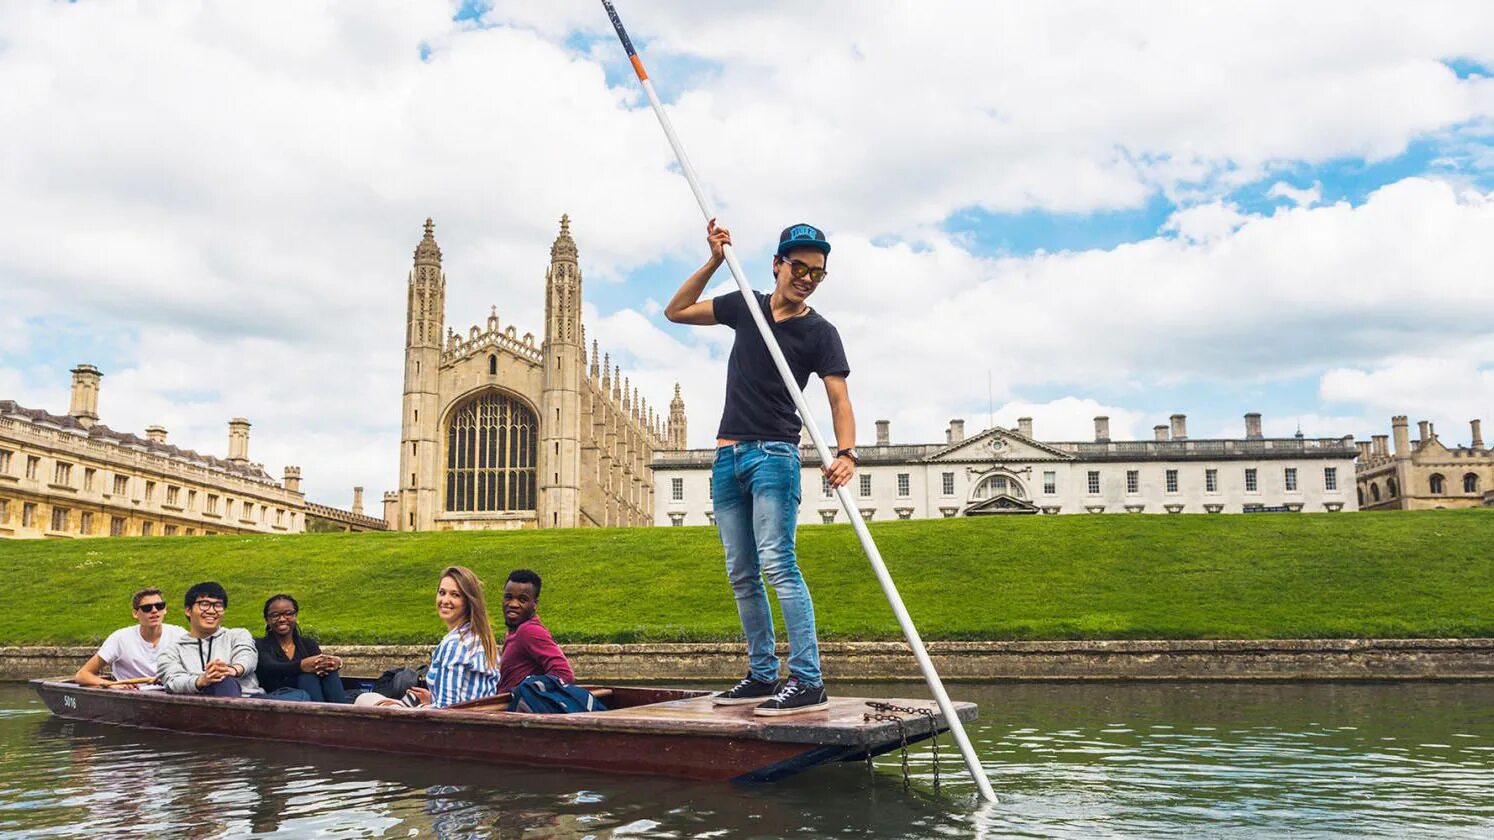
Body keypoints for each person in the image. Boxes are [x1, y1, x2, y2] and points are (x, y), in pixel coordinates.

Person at [664, 220, 857, 716]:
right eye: (800, 267)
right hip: (726, 456)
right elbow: (677, 310)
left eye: (818, 273)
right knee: (741, 572)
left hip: (774, 454)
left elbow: (839, 397)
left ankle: (808, 679)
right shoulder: (745, 306)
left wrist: (846, 452)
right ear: (778, 265)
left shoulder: (820, 332)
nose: (808, 278)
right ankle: (762, 674)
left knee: (778, 563)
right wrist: (712, 260)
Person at [354, 566, 499, 709]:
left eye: (455, 595)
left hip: (448, 727)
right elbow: (464, 697)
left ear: (469, 601)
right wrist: (431, 699)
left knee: (364, 701)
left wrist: (420, 707)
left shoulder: (456, 644)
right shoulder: (481, 639)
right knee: (369, 698)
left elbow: (447, 711)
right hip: (471, 721)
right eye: (442, 593)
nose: (445, 600)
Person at [157, 581, 262, 697]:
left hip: (250, 702)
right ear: (188, 610)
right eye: (204, 604)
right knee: (220, 682)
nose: (212, 611)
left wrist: (231, 670)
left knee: (224, 681)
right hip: (200, 707)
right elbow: (173, 681)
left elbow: (247, 656)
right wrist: (202, 680)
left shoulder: (237, 635)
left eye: (218, 605)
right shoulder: (172, 651)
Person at [73, 587, 187, 689]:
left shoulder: (180, 635)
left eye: (159, 606)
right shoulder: (120, 638)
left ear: (165, 609)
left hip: (170, 693)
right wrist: (113, 685)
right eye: (147, 608)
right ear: (135, 613)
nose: (154, 610)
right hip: (132, 698)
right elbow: (82, 675)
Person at [254, 594, 347, 703]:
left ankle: (341, 714)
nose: (282, 619)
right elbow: (271, 667)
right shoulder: (260, 645)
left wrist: (334, 663)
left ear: (295, 615)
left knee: (327, 672)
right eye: (275, 615)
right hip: (279, 698)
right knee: (306, 677)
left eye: (288, 613)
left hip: (314, 694)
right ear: (267, 619)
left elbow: (320, 667)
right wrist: (301, 666)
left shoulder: (308, 644)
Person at [495, 569, 574, 694]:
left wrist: (526, 693)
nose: (513, 604)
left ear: (535, 604)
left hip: (519, 711)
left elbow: (564, 673)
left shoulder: (528, 631)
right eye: (508, 597)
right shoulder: (515, 632)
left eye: (522, 599)